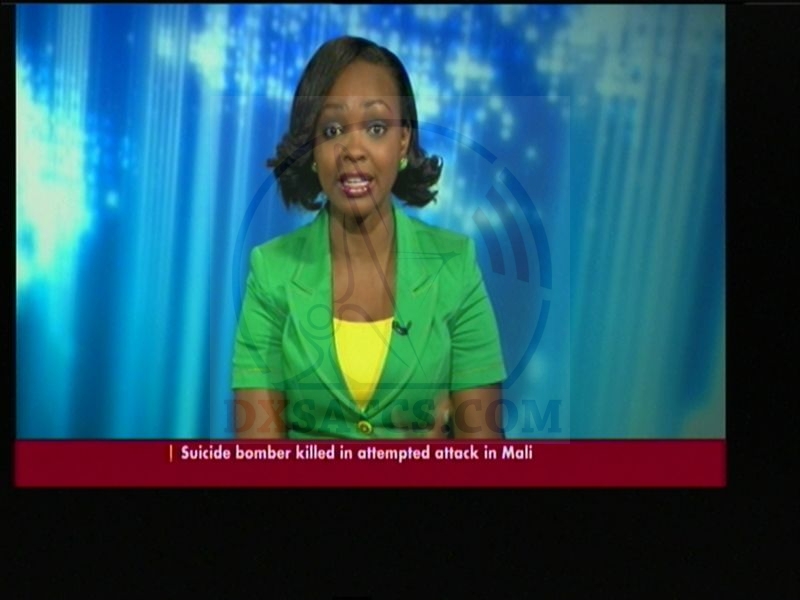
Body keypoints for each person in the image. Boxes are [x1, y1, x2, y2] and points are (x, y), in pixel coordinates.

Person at [232, 36, 507, 439]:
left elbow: (484, 453)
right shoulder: (271, 271)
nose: (353, 150)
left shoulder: (456, 265)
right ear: (311, 149)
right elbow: (257, 456)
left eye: (376, 128)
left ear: (403, 141)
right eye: (332, 130)